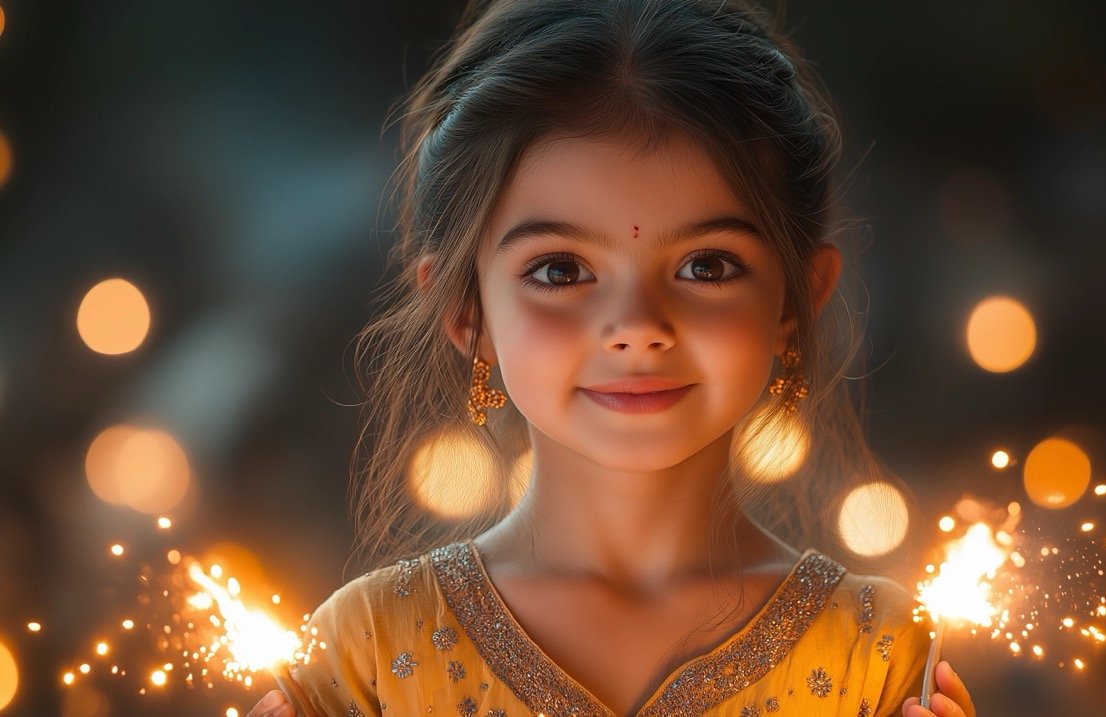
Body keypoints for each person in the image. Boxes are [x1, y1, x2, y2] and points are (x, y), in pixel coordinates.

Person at [247, 0, 976, 715]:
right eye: (561, 270)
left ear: (796, 299)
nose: (636, 327)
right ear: (466, 311)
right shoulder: (366, 655)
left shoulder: (877, 658)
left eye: (708, 266)